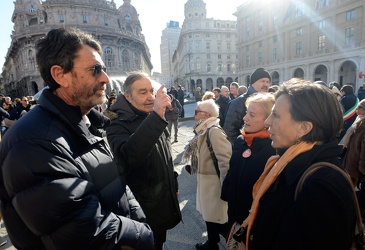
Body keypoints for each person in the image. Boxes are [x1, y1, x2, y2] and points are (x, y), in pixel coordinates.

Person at [0, 28, 154, 249]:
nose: (106, 78)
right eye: (96, 70)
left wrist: (139, 221)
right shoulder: (33, 143)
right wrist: (143, 235)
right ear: (60, 74)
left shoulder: (89, 122)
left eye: (104, 69)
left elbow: (116, 183)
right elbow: (83, 231)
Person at [240, 80, 356, 249]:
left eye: (276, 115)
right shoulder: (286, 162)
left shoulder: (321, 187)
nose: (267, 122)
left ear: (304, 127)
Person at [105, 72, 182, 250]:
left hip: (162, 201)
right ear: (127, 96)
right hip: (142, 210)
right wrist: (156, 116)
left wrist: (174, 185)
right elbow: (129, 158)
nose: (150, 97)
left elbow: (166, 157)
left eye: (151, 91)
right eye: (142, 92)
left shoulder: (153, 116)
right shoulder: (116, 123)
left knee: (159, 242)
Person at [221, 93, 275, 244]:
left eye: (251, 115)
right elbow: (232, 172)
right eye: (246, 113)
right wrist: (227, 193)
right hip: (234, 215)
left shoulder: (273, 149)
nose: (245, 118)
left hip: (255, 223)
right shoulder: (240, 140)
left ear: (268, 120)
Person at [182, 99, 232, 250]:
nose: (194, 114)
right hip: (206, 181)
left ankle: (236, 242)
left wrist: (226, 188)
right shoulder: (203, 129)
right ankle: (212, 242)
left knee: (219, 219)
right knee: (209, 215)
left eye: (197, 112)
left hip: (214, 184)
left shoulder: (214, 131)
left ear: (206, 114)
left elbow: (225, 160)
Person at [224, 68, 271, 144]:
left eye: (268, 82)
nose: (265, 84)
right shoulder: (238, 102)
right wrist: (242, 149)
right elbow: (229, 132)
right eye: (262, 81)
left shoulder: (269, 101)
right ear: (253, 83)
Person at [341, 97, 365, 187]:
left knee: (354, 196)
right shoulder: (361, 119)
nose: (357, 109)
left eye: (360, 107)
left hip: (358, 172)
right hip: (352, 164)